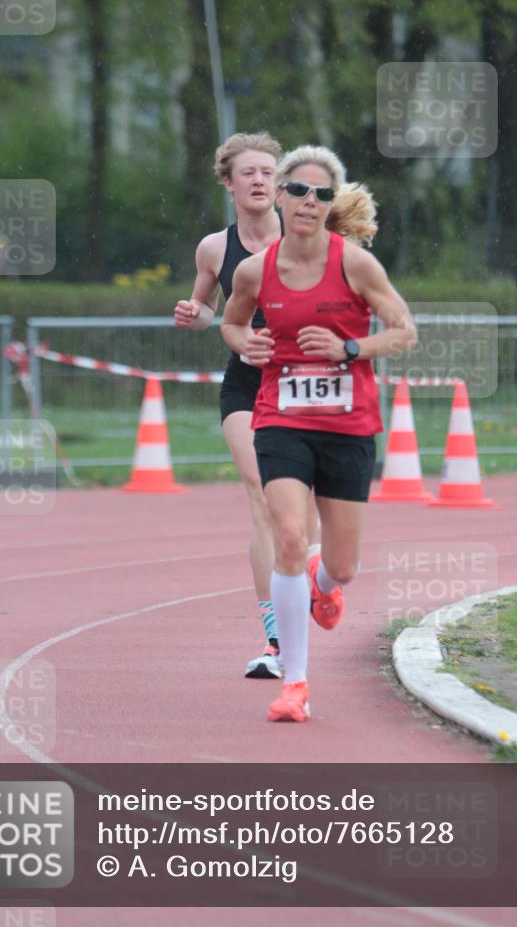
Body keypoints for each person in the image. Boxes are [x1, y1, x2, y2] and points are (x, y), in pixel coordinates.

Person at [222, 145, 417, 722]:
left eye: (323, 194)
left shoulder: (355, 265)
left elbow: (404, 331)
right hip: (280, 418)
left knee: (344, 566)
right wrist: (246, 343)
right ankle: (295, 684)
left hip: (347, 424)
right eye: (300, 191)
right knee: (287, 535)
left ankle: (322, 579)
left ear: (332, 205)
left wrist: (349, 348)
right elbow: (231, 321)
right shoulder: (254, 270)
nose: (310, 202)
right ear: (281, 197)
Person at [175, 132, 317, 680]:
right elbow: (208, 312)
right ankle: (276, 640)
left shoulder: (306, 234)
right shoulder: (215, 248)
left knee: (300, 510)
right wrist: (195, 315)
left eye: (267, 172)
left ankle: (313, 581)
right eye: (248, 173)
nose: (259, 181)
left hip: (303, 383)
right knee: (262, 495)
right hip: (246, 384)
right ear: (229, 184)